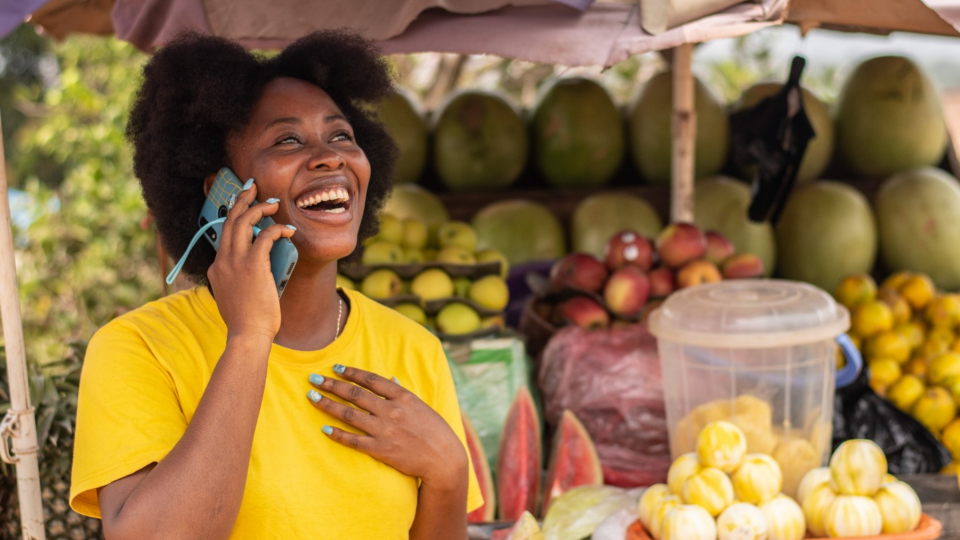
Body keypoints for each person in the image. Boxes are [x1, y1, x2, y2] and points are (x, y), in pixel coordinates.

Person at [69, 30, 482, 540]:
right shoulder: (138, 350)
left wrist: (449, 473)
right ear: (221, 191)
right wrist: (248, 337)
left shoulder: (414, 350)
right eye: (287, 140)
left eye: (341, 136)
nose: (330, 157)